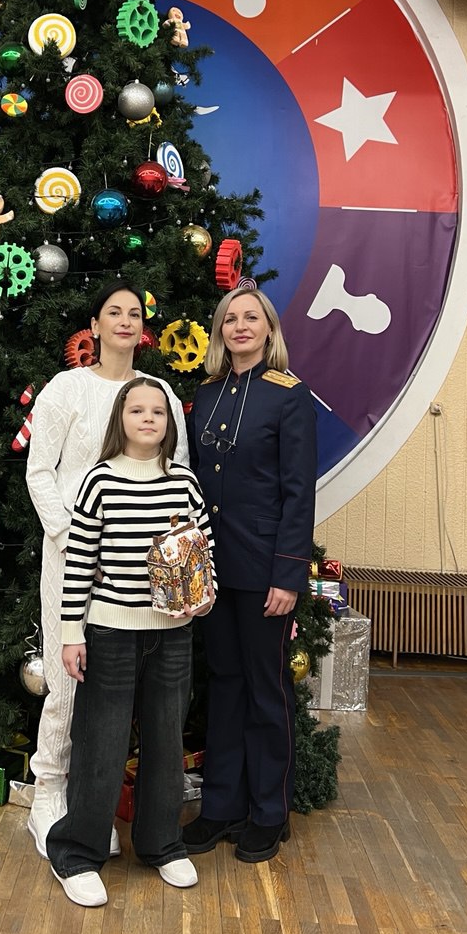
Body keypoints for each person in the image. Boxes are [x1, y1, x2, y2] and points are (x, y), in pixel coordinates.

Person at [25, 282, 189, 859]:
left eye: (134, 313)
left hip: (143, 570)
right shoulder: (66, 388)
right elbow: (39, 471)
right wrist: (69, 534)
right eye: (113, 312)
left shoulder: (159, 393)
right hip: (71, 554)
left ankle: (98, 807)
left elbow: (176, 476)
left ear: (143, 328)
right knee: (67, 677)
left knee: (128, 694)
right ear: (94, 326)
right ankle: (49, 792)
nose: (125, 321)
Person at [47, 377, 214, 907]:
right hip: (111, 633)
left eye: (157, 412)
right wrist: (71, 633)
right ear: (120, 419)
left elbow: (204, 551)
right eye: (137, 410)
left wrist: (202, 601)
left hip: (172, 637)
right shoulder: (99, 481)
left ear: (169, 424)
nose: (148, 419)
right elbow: (80, 562)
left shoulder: (184, 483)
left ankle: (162, 843)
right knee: (101, 744)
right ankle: (78, 852)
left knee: (165, 744)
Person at [182, 286, 317, 864]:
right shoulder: (206, 394)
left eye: (251, 318)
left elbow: (298, 493)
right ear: (220, 331)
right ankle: (221, 807)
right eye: (230, 318)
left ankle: (268, 813)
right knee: (225, 685)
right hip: (214, 567)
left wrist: (288, 575)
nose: (240, 326)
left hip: (265, 571)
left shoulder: (289, 395)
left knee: (266, 690)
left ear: (268, 329)